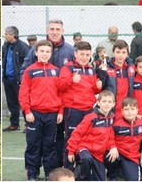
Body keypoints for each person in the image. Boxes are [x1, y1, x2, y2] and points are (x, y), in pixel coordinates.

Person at [21, 19, 74, 168]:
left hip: (57, 108)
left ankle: (54, 170)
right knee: (34, 143)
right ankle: (32, 172)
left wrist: (61, 108)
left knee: (55, 141)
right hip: (36, 109)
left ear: (62, 31)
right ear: (47, 31)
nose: (55, 32)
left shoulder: (69, 51)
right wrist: (29, 103)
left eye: (58, 29)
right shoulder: (34, 52)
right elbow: (24, 75)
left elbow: (69, 81)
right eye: (52, 29)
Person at [19, 40, 63, 180]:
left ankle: (49, 173)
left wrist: (60, 111)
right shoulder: (29, 71)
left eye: (47, 51)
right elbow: (23, 93)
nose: (44, 54)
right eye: (42, 51)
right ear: (36, 52)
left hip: (52, 114)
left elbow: (61, 93)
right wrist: (27, 111)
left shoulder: (56, 71)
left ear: (51, 54)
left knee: (49, 145)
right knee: (33, 144)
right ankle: (32, 173)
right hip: (34, 114)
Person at [57, 41, 103, 169]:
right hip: (73, 110)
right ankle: (68, 170)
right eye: (81, 54)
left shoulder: (90, 69)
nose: (84, 57)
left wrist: (97, 88)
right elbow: (60, 86)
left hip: (89, 110)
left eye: (87, 54)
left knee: (86, 139)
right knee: (71, 139)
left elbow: (92, 90)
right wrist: (71, 80)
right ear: (75, 54)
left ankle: (82, 169)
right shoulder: (68, 68)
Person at [67, 90, 118, 181]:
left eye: (109, 102)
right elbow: (77, 133)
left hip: (99, 153)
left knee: (114, 156)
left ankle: (111, 176)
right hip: (84, 148)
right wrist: (71, 150)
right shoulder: (91, 117)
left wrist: (113, 146)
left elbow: (110, 136)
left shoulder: (111, 118)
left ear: (113, 104)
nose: (107, 104)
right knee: (86, 159)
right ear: (98, 102)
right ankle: (80, 176)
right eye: (104, 101)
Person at [107, 97, 142, 181]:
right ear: (122, 111)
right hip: (117, 153)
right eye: (126, 109)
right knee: (106, 155)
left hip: (131, 157)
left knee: (133, 179)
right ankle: (112, 175)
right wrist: (112, 147)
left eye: (132, 109)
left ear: (137, 110)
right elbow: (107, 136)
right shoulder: (116, 123)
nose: (129, 112)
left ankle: (129, 171)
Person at [2, 26, 30, 131]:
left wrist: (23, 78)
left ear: (13, 35)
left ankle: (28, 125)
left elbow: (28, 63)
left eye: (6, 34)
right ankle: (14, 124)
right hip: (7, 79)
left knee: (23, 102)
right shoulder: (5, 46)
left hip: (19, 80)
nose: (5, 36)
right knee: (11, 103)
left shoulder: (23, 47)